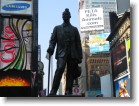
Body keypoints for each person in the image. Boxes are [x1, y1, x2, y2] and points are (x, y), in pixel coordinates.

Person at [47, 8, 82, 95]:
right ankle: (54, 90)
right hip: (61, 54)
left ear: (69, 16)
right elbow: (53, 41)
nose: (65, 16)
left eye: (66, 15)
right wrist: (51, 48)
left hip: (72, 54)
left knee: (70, 72)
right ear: (62, 17)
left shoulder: (74, 29)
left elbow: (78, 44)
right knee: (60, 69)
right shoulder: (57, 28)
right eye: (64, 15)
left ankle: (68, 90)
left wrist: (80, 56)